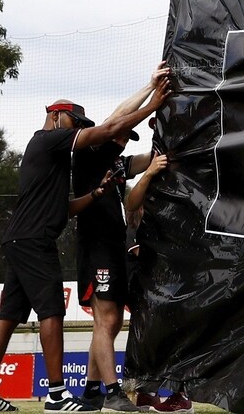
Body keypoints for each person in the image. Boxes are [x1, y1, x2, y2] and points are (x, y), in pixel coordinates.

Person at [0, 83, 168, 413]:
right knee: (55, 313)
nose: (121, 141)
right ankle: (60, 394)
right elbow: (113, 121)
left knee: (8, 316)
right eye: (75, 122)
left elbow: (66, 207)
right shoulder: (61, 144)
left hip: (27, 238)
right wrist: (153, 96)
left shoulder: (75, 162)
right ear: (58, 116)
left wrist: (97, 193)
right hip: (45, 242)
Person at [74, 66, 170, 412]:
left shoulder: (115, 163)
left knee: (110, 322)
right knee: (108, 319)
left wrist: (166, 148)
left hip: (114, 248)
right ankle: (113, 393)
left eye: (126, 139)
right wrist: (150, 87)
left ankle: (90, 393)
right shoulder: (87, 155)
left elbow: (150, 160)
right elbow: (116, 117)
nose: (121, 140)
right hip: (96, 247)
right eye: (119, 136)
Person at [122, 147, 195, 414]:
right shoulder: (152, 178)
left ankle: (181, 394)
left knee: (178, 328)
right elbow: (131, 205)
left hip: (179, 266)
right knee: (146, 330)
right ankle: (145, 391)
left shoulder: (191, 180)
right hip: (150, 272)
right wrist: (150, 171)